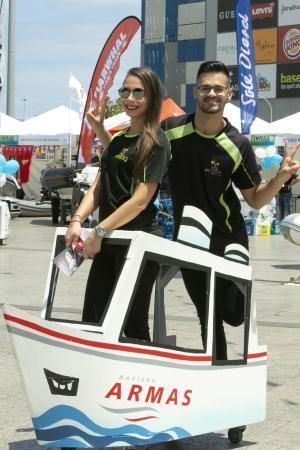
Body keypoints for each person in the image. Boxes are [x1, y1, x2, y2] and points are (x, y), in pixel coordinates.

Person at [161, 61, 300, 360]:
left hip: (229, 238)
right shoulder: (171, 131)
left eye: (218, 88)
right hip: (189, 238)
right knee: (206, 313)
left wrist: (280, 178)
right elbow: (141, 160)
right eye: (206, 87)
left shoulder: (237, 144)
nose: (212, 93)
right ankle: (217, 373)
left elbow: (255, 200)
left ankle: (226, 329)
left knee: (234, 314)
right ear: (196, 91)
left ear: (229, 94)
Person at [65, 67, 170, 341]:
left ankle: (143, 381)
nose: (130, 98)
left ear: (152, 97)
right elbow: (99, 186)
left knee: (133, 323)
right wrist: (77, 220)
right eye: (125, 90)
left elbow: (140, 200)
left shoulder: (157, 141)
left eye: (138, 92)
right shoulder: (119, 139)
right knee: (93, 320)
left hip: (137, 241)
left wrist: (99, 231)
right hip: (108, 240)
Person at [278, 142, 300, 220]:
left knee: (288, 210)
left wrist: (290, 185)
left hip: (287, 193)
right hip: (280, 193)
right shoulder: (285, 169)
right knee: (281, 211)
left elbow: (298, 178)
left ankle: (289, 225)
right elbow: (289, 157)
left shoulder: (292, 172)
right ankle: (281, 226)